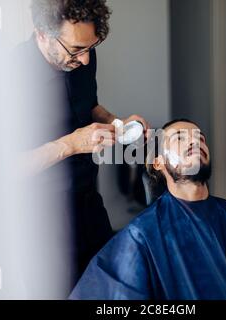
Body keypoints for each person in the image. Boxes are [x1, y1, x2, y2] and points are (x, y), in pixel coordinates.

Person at [70, 119, 226, 300]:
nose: (194, 141)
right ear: (157, 163)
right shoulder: (141, 236)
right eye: (180, 138)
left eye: (200, 137)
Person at [13, 0, 150, 288]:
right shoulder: (9, 76)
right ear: (42, 34)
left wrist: (117, 124)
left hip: (89, 200)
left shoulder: (85, 56)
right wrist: (72, 144)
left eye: (92, 47)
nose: (86, 59)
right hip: (43, 219)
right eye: (76, 50)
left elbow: (88, 106)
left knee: (105, 288)